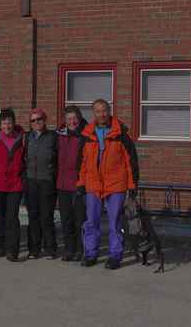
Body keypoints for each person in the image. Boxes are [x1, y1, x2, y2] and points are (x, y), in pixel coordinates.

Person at [78, 99, 139, 270]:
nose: (101, 114)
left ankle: (115, 255)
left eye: (104, 110)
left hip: (116, 184)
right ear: (93, 113)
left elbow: (131, 162)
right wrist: (80, 183)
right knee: (91, 222)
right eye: (98, 111)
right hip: (93, 184)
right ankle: (90, 253)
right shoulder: (86, 134)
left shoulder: (121, 134)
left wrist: (132, 185)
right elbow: (81, 162)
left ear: (109, 111)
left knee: (115, 223)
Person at [0, 108, 25, 262]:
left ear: (14, 122)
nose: (7, 126)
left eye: (9, 122)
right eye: (4, 123)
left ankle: (12, 250)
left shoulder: (22, 138)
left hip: (15, 184)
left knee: (12, 218)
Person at [24, 108, 58, 260]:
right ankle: (34, 249)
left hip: (47, 181)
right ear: (30, 123)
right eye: (33, 120)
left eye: (39, 119)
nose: (36, 122)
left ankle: (50, 248)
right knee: (33, 216)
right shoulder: (26, 137)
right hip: (31, 181)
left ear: (45, 120)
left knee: (47, 217)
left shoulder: (52, 137)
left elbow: (58, 159)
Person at [56, 106, 87, 262]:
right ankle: (69, 249)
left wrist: (83, 182)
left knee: (80, 220)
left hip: (78, 184)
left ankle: (81, 250)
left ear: (79, 118)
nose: (72, 122)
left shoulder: (86, 135)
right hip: (62, 184)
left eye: (74, 118)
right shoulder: (59, 135)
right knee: (66, 219)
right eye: (68, 119)